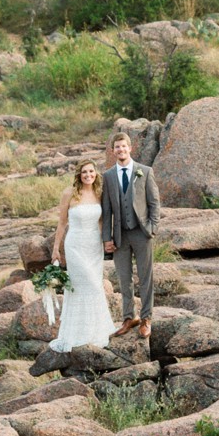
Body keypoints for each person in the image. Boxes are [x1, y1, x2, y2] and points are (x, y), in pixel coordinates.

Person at [46, 161, 115, 352]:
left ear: (95, 174)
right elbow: (61, 223)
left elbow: (102, 221)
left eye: (91, 171)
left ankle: (95, 332)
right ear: (79, 175)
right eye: (84, 172)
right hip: (75, 245)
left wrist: (106, 241)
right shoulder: (69, 193)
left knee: (95, 286)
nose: (88, 175)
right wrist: (55, 249)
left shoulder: (99, 193)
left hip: (94, 247)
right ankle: (76, 334)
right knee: (85, 285)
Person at [101, 131, 160, 338]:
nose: (121, 150)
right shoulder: (108, 176)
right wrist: (106, 238)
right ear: (113, 151)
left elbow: (154, 203)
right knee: (124, 279)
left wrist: (152, 228)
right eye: (117, 147)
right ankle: (129, 318)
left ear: (130, 148)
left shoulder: (144, 171)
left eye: (123, 146)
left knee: (145, 277)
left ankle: (146, 319)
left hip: (142, 233)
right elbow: (106, 210)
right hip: (120, 236)